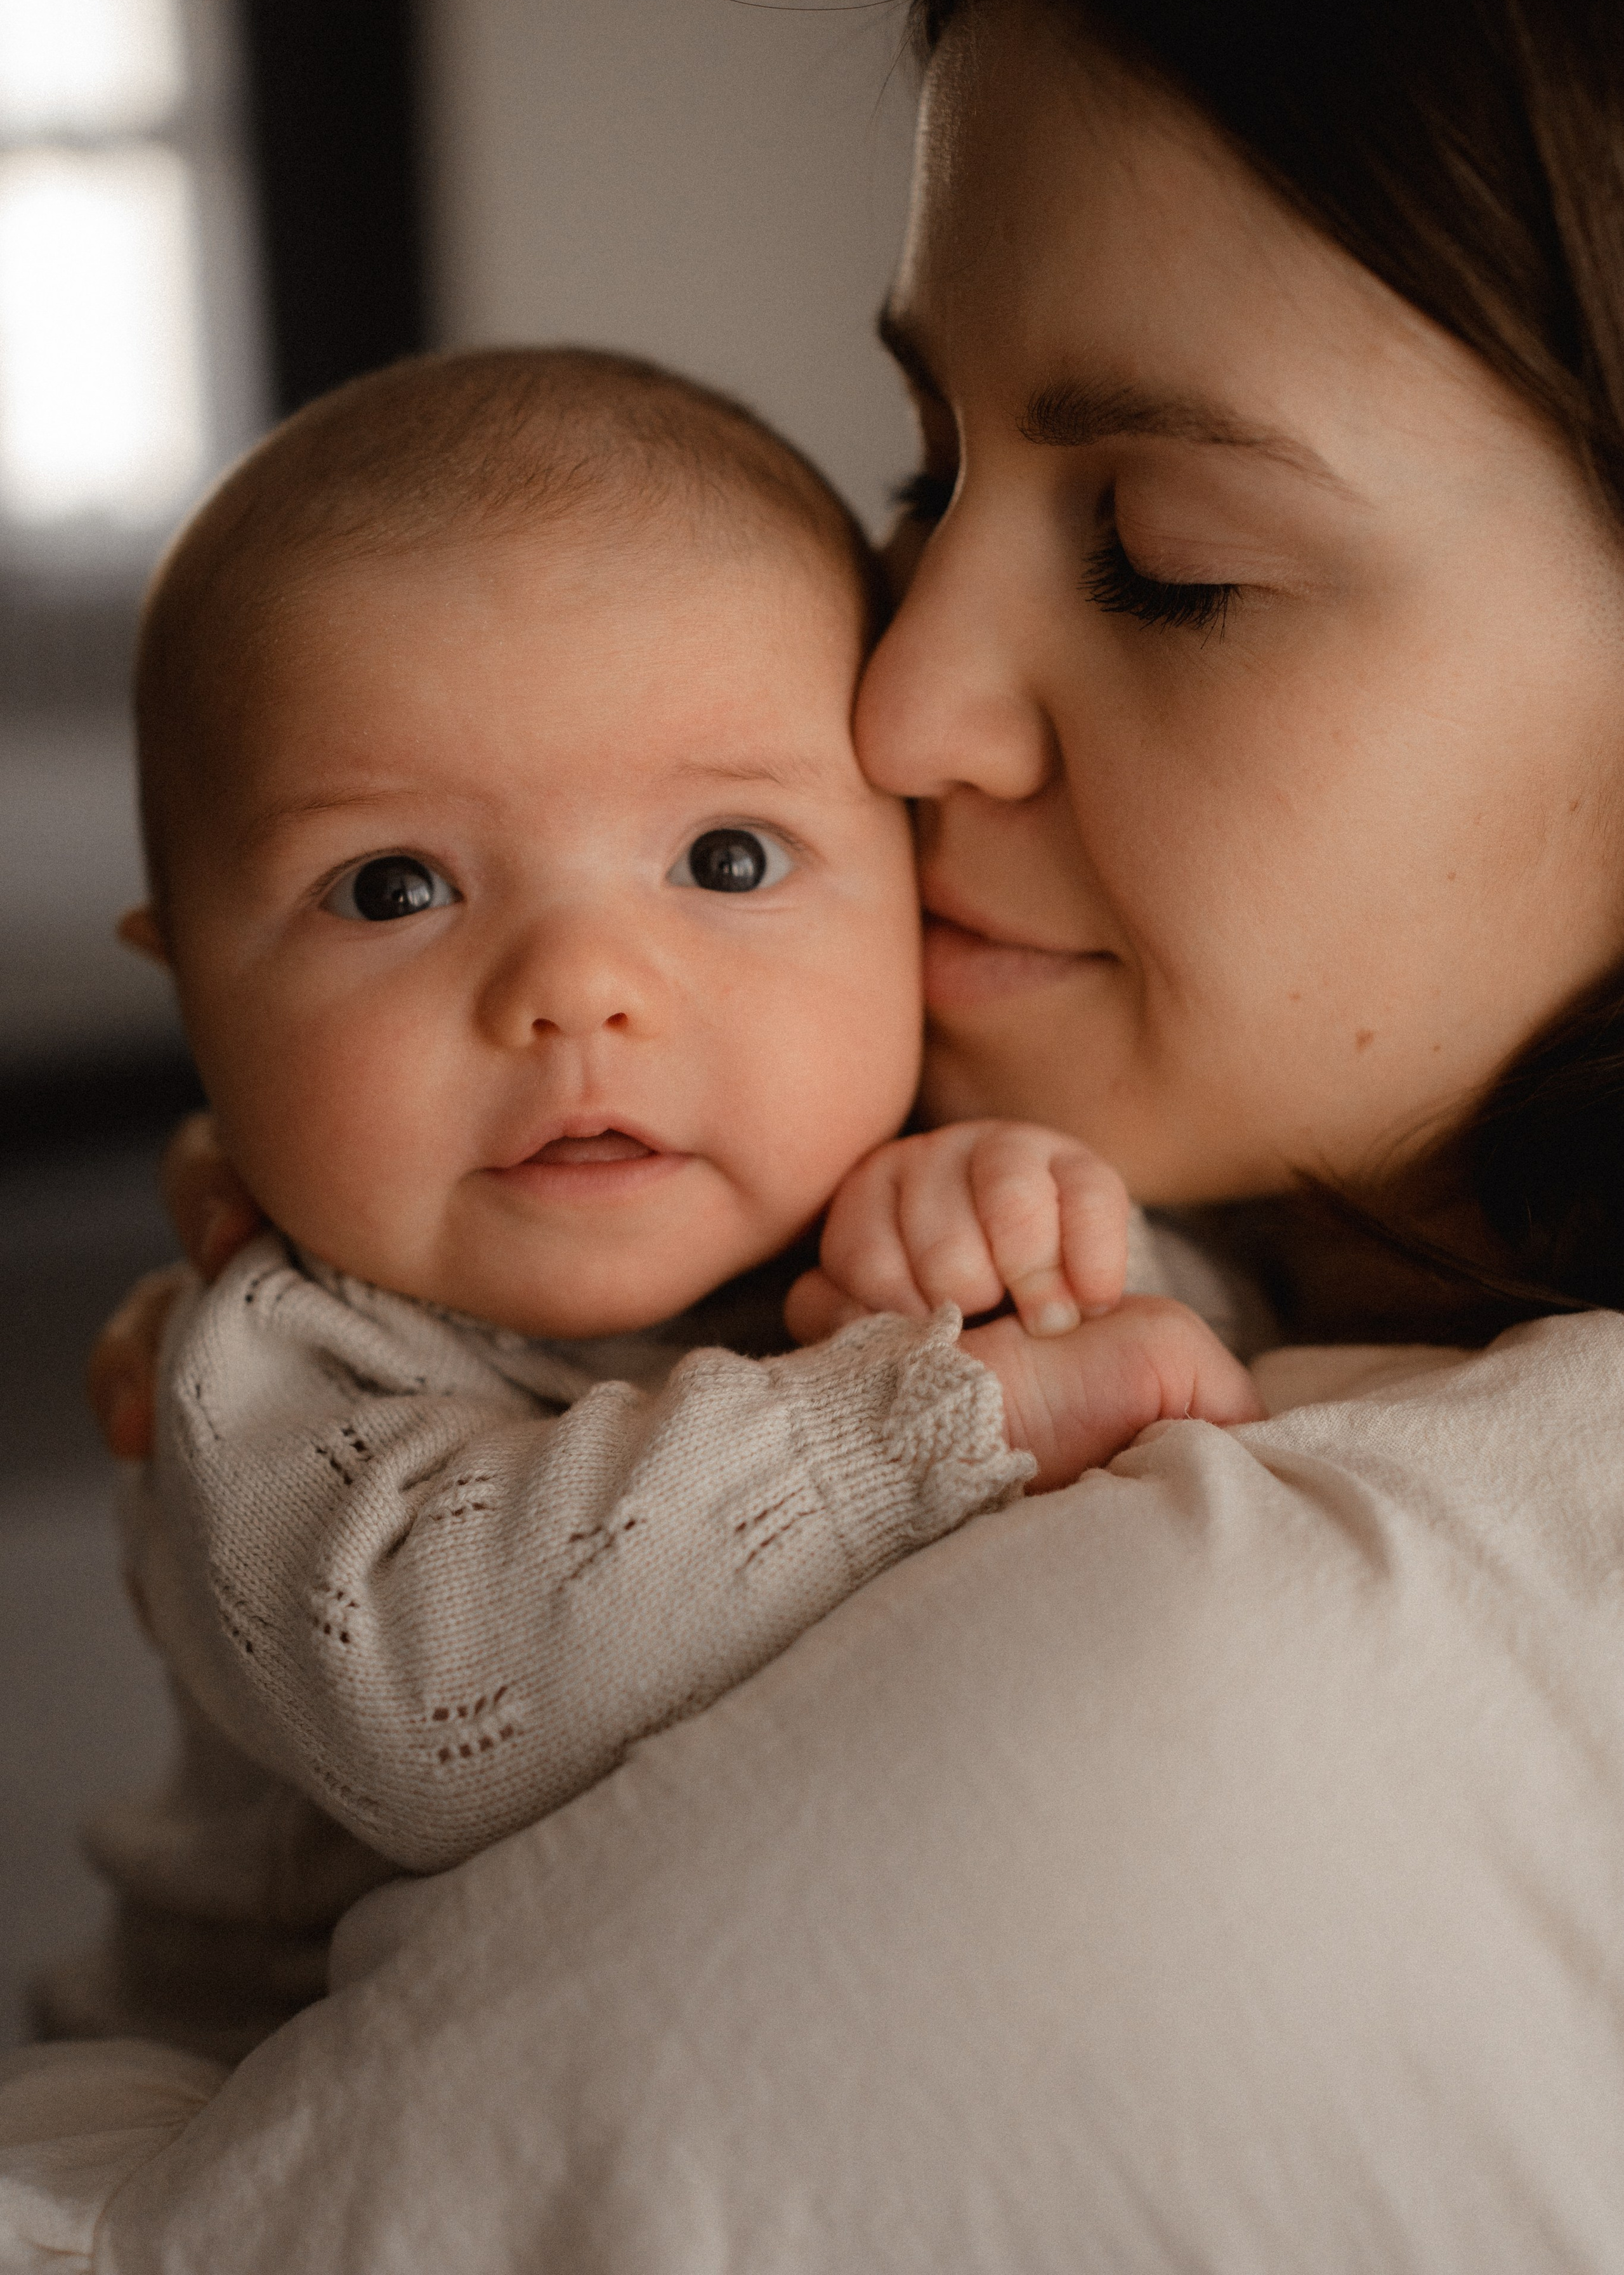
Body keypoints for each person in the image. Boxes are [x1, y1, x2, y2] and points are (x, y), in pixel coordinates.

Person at [9, 0, 1624, 2264]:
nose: (894, 699)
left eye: (1166, 556)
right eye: (926, 474)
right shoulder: (944, 1161)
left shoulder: (1302, 1671)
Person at [27, 344, 1257, 2070]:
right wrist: (940, 1422)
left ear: (911, 884)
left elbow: (1202, 1378)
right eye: (393, 887)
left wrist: (1069, 1250)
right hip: (240, 2100)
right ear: (195, 1005)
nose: (579, 989)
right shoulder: (279, 1355)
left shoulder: (902, 1195)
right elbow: (422, 1706)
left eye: (726, 858)